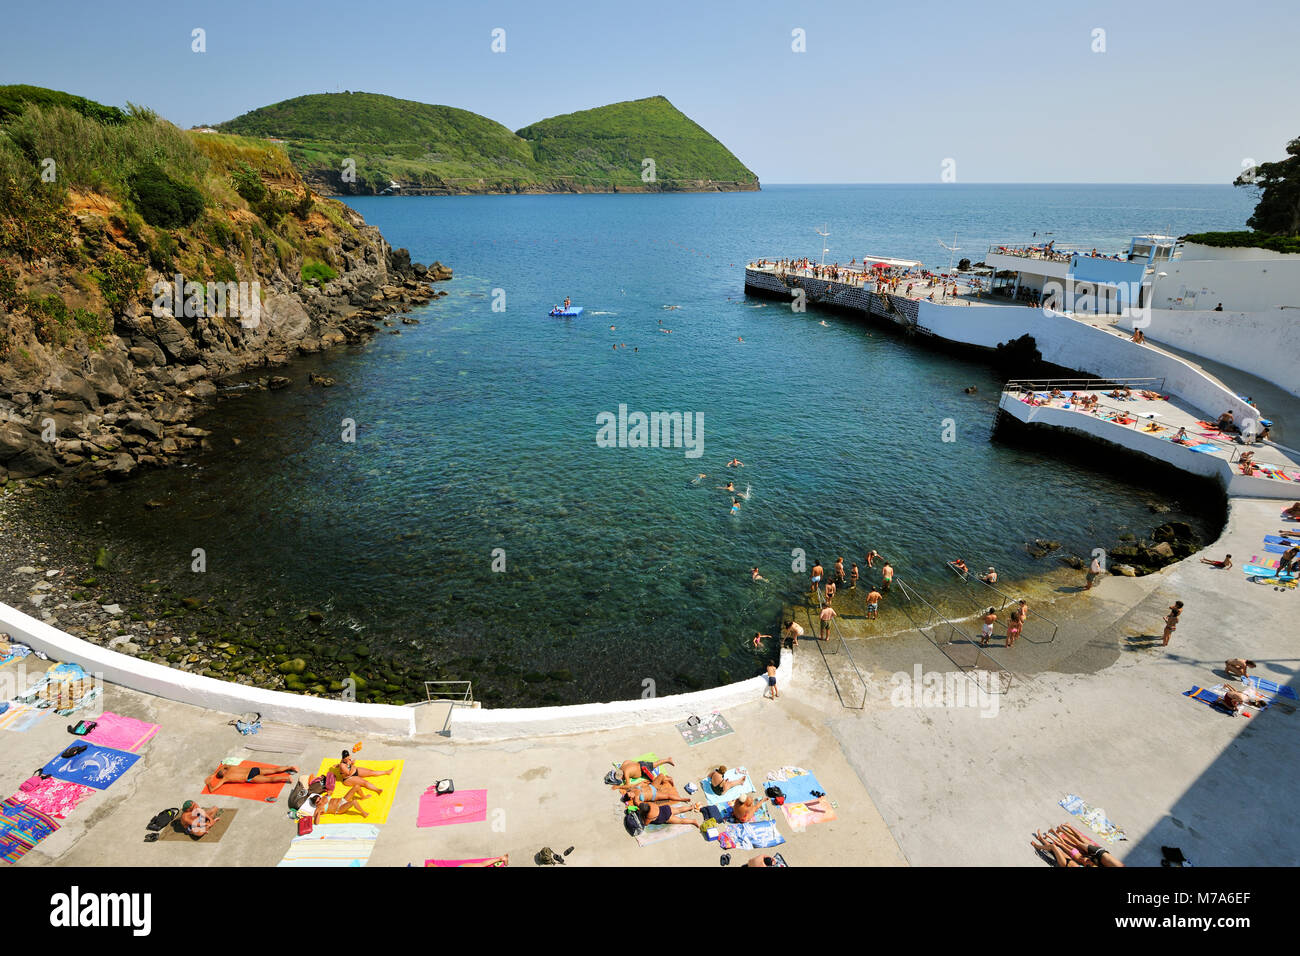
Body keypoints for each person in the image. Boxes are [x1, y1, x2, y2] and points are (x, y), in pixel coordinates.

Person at [204, 762, 298, 794]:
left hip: (250, 777)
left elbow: (212, 790)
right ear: (223, 771)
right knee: (273, 770)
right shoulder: (230, 767)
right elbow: (223, 765)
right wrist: (214, 773)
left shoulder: (225, 778)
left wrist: (209, 782)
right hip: (253, 770)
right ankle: (290, 767)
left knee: (269, 780)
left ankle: (287, 779)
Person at [632, 796, 702, 828]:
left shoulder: (649, 815)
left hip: (666, 817)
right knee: (678, 809)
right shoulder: (650, 804)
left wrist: (641, 816)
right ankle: (690, 807)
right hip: (666, 809)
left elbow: (645, 824)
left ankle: (693, 821)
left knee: (681, 820)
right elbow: (637, 801)